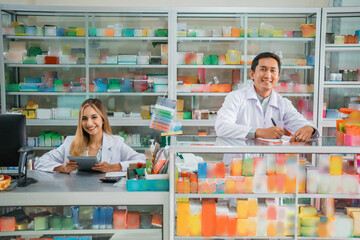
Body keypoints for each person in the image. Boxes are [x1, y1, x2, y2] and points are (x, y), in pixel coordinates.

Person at [215, 52, 319, 142]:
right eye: (263, 69)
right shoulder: (236, 97)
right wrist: (258, 132)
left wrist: (309, 129)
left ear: (278, 77)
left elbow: (300, 123)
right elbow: (222, 127)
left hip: (270, 162)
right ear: (252, 74)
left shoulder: (283, 103)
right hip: (239, 161)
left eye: (273, 70)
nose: (268, 75)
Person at [35, 98, 145, 173]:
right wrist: (62, 168)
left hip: (107, 199)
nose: (89, 123)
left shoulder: (116, 143)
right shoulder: (70, 143)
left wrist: (113, 167)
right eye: (84, 118)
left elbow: (142, 162)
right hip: (77, 198)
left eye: (94, 117)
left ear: (102, 119)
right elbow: (39, 162)